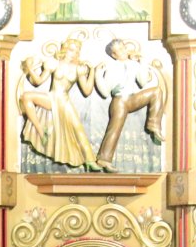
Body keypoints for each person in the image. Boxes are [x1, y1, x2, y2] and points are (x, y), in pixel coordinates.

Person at [19, 39, 97, 169]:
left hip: (64, 101)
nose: (74, 53)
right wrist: (29, 68)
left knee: (77, 129)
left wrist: (92, 71)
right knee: (27, 96)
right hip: (52, 98)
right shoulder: (54, 64)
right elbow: (38, 81)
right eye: (71, 50)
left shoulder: (78, 69)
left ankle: (90, 161)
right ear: (65, 50)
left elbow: (87, 91)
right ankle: (40, 130)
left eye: (76, 51)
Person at [93, 38, 167, 171]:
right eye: (119, 50)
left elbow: (143, 81)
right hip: (119, 101)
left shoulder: (133, 65)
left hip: (132, 99)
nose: (123, 51)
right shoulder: (112, 68)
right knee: (114, 129)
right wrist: (98, 74)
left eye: (123, 48)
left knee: (156, 91)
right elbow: (104, 92)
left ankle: (154, 125)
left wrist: (142, 62)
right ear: (114, 55)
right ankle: (103, 159)